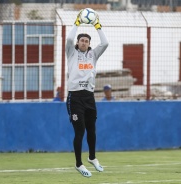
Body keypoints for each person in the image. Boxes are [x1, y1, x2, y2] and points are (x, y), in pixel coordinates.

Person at [65, 10, 109, 178]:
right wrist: (77, 23)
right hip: (75, 97)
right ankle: (79, 164)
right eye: (82, 40)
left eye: (86, 41)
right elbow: (69, 39)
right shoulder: (71, 52)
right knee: (80, 131)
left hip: (89, 96)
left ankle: (92, 157)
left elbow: (105, 43)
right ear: (78, 42)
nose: (84, 42)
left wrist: (97, 26)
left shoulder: (93, 55)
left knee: (92, 130)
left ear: (89, 43)